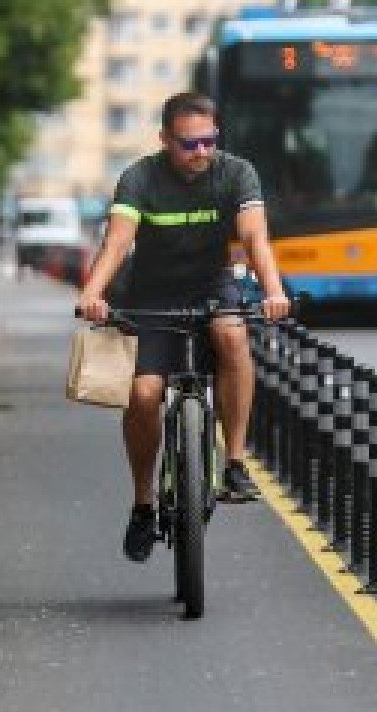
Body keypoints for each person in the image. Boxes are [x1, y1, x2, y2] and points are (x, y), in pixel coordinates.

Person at [77, 91, 292, 562]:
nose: (200, 153)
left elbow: (255, 237)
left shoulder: (236, 173)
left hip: (211, 285)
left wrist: (274, 292)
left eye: (208, 142)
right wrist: (93, 294)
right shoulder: (139, 178)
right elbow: (116, 244)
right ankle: (142, 503)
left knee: (232, 335)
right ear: (164, 140)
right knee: (144, 395)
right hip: (152, 293)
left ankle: (234, 463)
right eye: (188, 145)